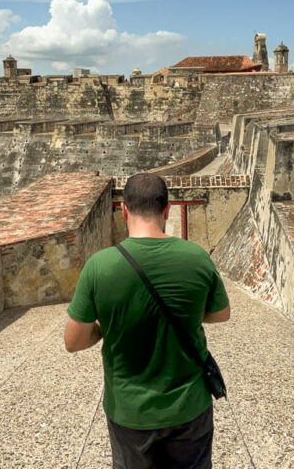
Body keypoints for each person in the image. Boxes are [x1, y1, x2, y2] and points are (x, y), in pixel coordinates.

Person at [65, 172, 231, 469]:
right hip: (189, 406)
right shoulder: (197, 257)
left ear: (124, 210)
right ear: (167, 209)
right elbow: (221, 313)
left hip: (130, 412)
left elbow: (74, 341)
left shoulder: (99, 267)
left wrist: (105, 327)